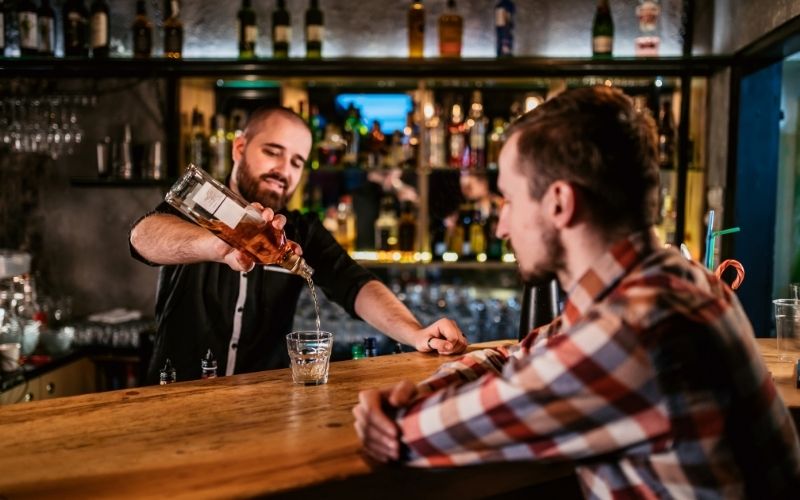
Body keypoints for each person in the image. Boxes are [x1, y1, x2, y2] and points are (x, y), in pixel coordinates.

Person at [353, 86, 800, 497]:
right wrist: (423, 388)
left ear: (561, 203)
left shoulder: (636, 327)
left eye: (509, 199)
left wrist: (395, 412)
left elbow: (412, 433)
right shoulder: (671, 280)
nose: (501, 225)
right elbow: (520, 355)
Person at [130, 106, 467, 383]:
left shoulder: (298, 231)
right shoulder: (200, 207)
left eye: (296, 162)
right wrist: (218, 243)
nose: (284, 170)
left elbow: (356, 284)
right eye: (272, 152)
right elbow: (143, 237)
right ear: (239, 148)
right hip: (173, 395)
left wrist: (417, 333)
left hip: (261, 408)